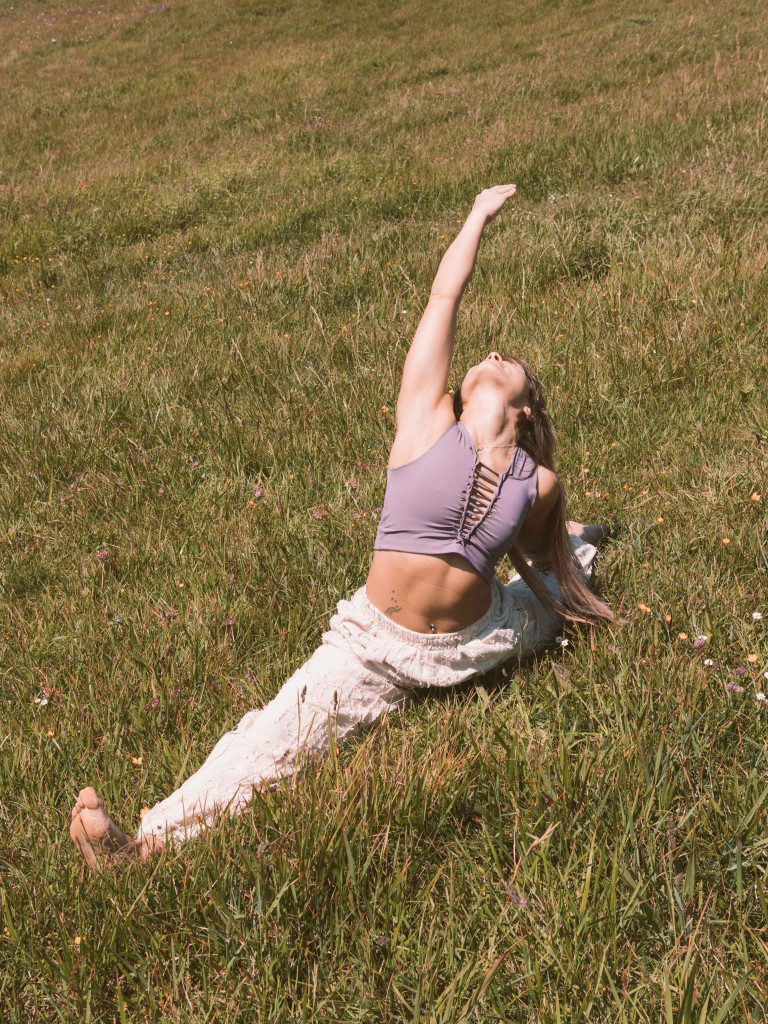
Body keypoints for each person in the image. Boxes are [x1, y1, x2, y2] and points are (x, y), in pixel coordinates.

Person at [70, 184, 613, 870]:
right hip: (380, 641)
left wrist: (570, 557)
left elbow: (539, 552)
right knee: (275, 741)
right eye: (487, 355)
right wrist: (477, 214)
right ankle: (140, 847)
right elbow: (444, 299)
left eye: (509, 361)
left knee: (560, 587)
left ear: (527, 409)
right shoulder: (425, 415)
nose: (493, 351)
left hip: (479, 639)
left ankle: (592, 548)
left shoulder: (538, 483)